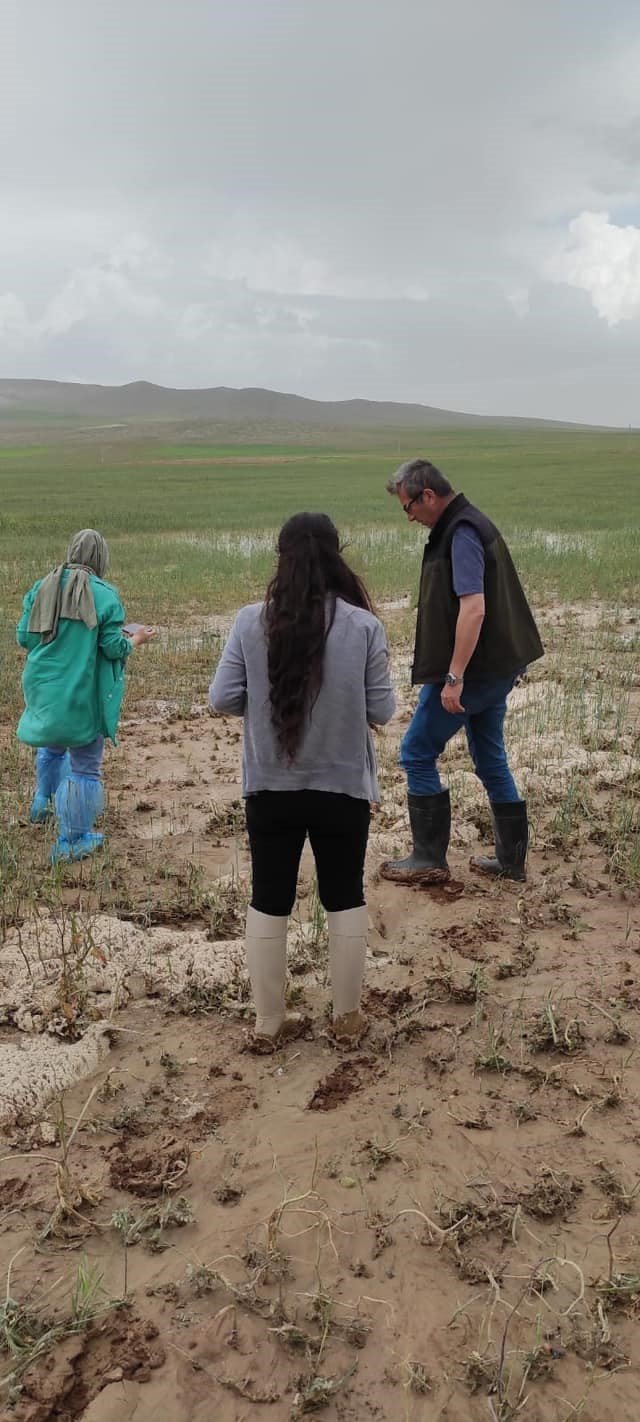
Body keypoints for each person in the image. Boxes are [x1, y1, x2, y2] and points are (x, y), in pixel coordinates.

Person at [209, 512, 396, 1050]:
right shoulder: (363, 626)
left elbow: (221, 697)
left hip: (270, 787)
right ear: (337, 557)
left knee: (268, 898)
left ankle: (268, 1023)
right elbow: (382, 709)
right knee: (344, 896)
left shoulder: (249, 621)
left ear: (281, 558)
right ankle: (347, 1020)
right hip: (342, 788)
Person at [380, 459, 543, 885]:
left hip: (474, 672)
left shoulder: (462, 533)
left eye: (409, 507)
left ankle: (428, 858)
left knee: (416, 752)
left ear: (428, 495)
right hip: (494, 668)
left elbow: (474, 608)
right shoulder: (467, 524)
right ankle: (511, 862)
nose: (409, 516)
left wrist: (454, 677)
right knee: (491, 757)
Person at [16, 529, 154, 863]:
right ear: (101, 558)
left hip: (45, 691)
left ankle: (43, 804)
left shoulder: (42, 586)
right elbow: (111, 646)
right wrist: (136, 639)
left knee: (52, 746)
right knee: (85, 768)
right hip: (82, 696)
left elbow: (25, 637)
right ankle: (71, 839)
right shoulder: (105, 595)